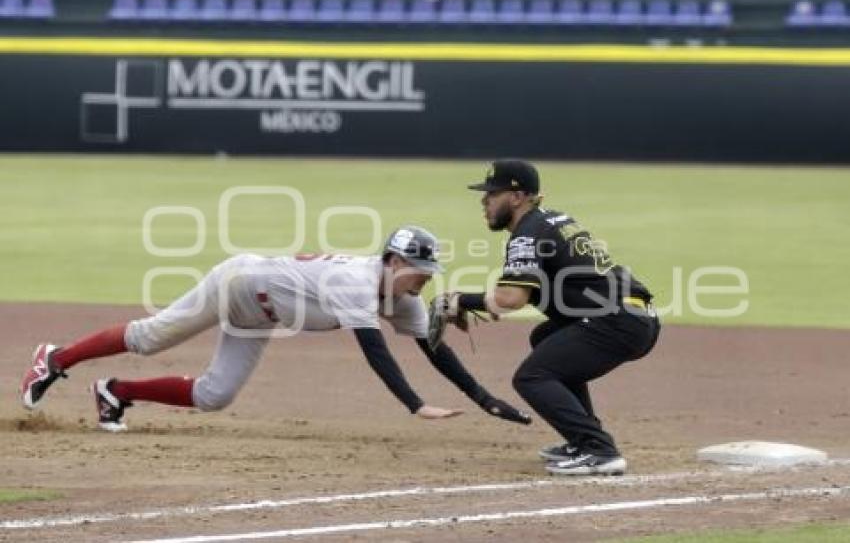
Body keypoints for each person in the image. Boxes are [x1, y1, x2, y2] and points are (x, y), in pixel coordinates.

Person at [21, 226, 531, 432]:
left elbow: (435, 349)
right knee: (151, 338)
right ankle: (56, 358)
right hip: (240, 282)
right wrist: (414, 405)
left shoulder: (402, 298)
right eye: (421, 270)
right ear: (395, 260)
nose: (426, 280)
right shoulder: (357, 281)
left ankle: (115, 393)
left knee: (216, 395)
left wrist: (485, 398)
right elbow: (376, 353)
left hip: (262, 314)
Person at [438, 160, 660, 476]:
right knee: (544, 339)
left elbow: (510, 299)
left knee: (532, 376)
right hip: (633, 316)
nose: (484, 201)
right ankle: (581, 437)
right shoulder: (550, 220)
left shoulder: (528, 233)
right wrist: (482, 303)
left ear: (517, 197)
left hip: (615, 321)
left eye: (492, 193)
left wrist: (459, 299)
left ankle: (599, 449)